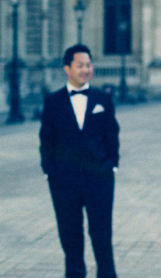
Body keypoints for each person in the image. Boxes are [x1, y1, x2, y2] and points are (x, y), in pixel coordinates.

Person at [40, 44, 120, 278]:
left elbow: (111, 134)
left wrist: (112, 165)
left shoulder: (103, 99)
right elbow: (46, 139)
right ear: (67, 68)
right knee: (70, 235)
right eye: (80, 65)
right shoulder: (52, 102)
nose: (86, 69)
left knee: (102, 235)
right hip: (63, 181)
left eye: (89, 65)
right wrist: (49, 171)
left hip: (100, 179)